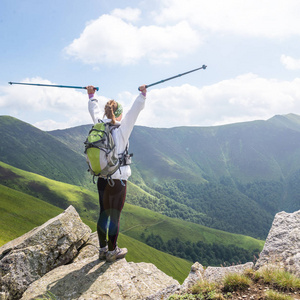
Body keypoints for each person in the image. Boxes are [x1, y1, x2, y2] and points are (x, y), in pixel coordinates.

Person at [86, 84, 147, 262]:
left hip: (102, 179)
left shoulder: (99, 125)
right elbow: (134, 112)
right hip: (118, 181)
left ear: (106, 113)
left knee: (103, 213)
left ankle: (102, 249)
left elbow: (93, 109)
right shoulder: (122, 129)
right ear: (119, 113)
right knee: (115, 216)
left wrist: (91, 95)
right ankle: (113, 251)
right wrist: (142, 95)